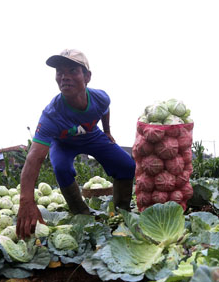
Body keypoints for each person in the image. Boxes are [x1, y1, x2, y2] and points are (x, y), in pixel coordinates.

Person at [16, 49, 135, 239]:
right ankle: (81, 214)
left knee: (127, 165)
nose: (64, 77)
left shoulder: (100, 98)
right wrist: (26, 201)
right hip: (63, 143)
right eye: (59, 72)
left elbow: (105, 109)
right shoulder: (51, 115)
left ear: (87, 77)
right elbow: (34, 159)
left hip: (92, 136)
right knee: (61, 168)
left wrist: (107, 131)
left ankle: (122, 212)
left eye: (72, 71)